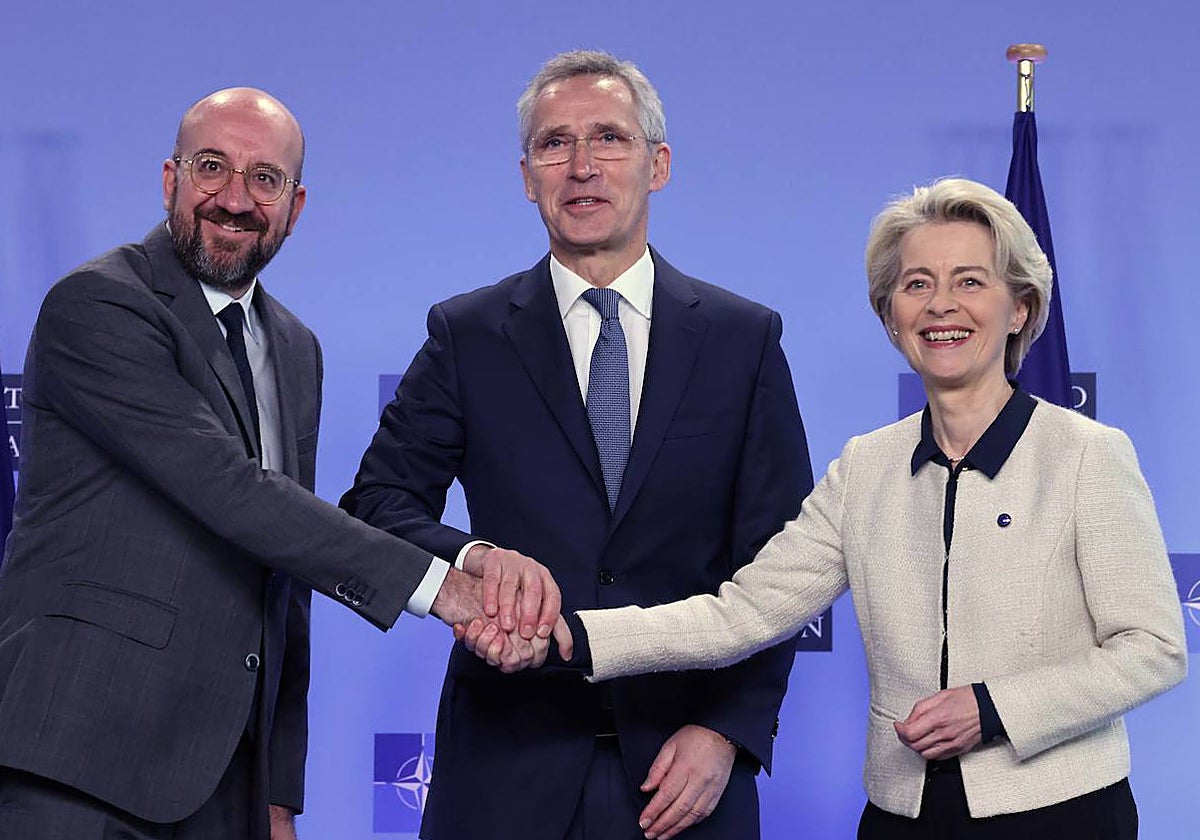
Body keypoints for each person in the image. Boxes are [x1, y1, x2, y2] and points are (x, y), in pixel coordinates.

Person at [486, 177, 1187, 837]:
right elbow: (742, 614)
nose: (941, 305)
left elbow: (1152, 650)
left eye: (970, 282)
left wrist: (994, 709)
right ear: (891, 315)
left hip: (1061, 815)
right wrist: (572, 637)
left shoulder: (1087, 454)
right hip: (900, 817)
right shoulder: (865, 468)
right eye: (917, 285)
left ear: (1021, 307)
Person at [0, 87, 564, 840]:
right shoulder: (100, 306)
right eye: (212, 167)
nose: (235, 199)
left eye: (264, 179)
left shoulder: (295, 349)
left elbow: (285, 569)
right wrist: (449, 590)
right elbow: (232, 491)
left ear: (295, 207)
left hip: (219, 781)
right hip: (79, 763)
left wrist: (276, 788)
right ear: (170, 179)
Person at [341, 50, 812, 840]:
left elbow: (784, 566)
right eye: (555, 144)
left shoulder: (744, 340)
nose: (583, 167)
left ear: (657, 165)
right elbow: (375, 507)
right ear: (527, 175)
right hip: (504, 772)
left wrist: (729, 731)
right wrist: (475, 560)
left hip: (683, 779)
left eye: (610, 140)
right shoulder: (467, 335)